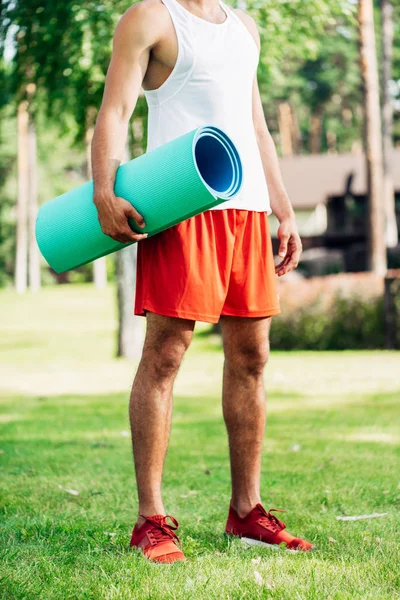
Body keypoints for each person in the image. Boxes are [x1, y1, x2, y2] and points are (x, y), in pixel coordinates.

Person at [92, 0, 312, 564]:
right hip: (182, 202)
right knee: (166, 353)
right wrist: (103, 190)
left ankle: (246, 511)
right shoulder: (151, 18)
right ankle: (151, 520)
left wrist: (283, 208)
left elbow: (255, 123)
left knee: (252, 356)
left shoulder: (245, 27)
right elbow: (115, 110)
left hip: (246, 210)